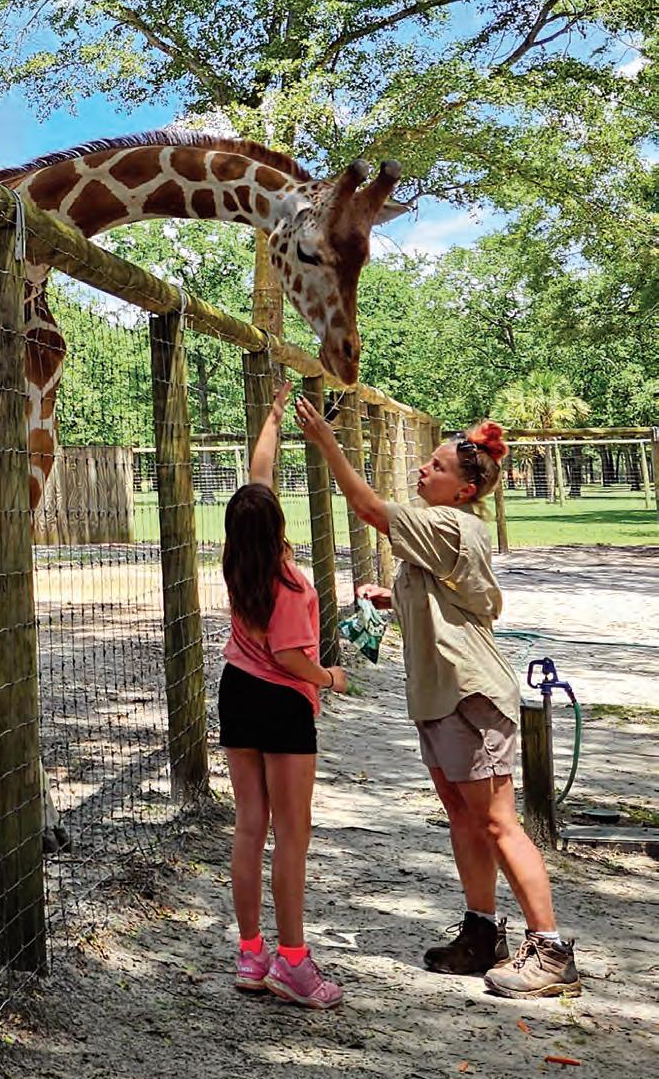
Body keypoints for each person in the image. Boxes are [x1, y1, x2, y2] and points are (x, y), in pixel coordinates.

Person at [294, 397, 581, 998]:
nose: (424, 469)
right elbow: (446, 603)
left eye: (438, 466)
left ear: (464, 489)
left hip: (470, 693)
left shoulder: (450, 524)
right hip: (438, 694)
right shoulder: (440, 527)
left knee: (498, 821)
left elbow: (367, 507)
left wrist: (326, 441)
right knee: (461, 812)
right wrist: (393, 600)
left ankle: (551, 950)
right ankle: (481, 932)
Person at [220, 380, 350, 1010]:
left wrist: (271, 417)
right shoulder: (291, 584)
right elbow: (290, 655)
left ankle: (251, 952)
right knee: (293, 833)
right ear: (277, 527)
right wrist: (330, 678)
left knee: (251, 826)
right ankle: (293, 961)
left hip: (236, 693)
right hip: (282, 704)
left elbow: (258, 476)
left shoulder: (236, 562)